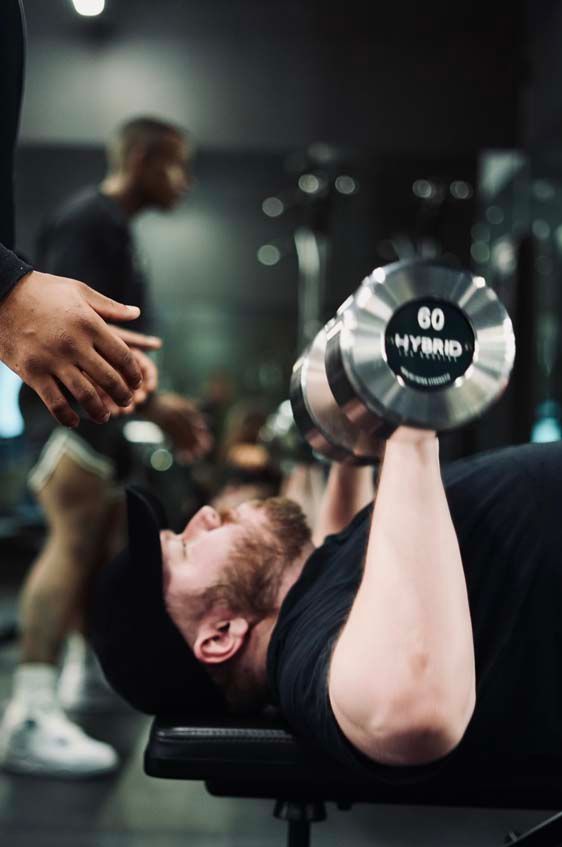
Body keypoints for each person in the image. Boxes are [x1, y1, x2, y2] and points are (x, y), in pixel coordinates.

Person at [92, 434, 562, 785]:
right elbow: (409, 715)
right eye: (187, 549)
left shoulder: (310, 600)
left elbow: (353, 566)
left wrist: (351, 448)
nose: (205, 517)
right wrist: (410, 429)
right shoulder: (300, 654)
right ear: (221, 635)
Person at [0, 116, 211, 781]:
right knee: (72, 540)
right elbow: (58, 334)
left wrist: (152, 398)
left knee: (106, 541)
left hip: (96, 424)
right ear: (144, 158)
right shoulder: (89, 221)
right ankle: (29, 711)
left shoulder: (113, 229)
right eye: (176, 165)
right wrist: (157, 403)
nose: (185, 182)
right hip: (66, 422)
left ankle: (82, 674)